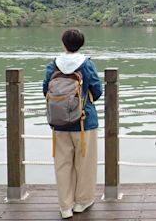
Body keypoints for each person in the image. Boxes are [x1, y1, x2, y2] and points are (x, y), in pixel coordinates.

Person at [43, 28, 103, 219]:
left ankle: (65, 206)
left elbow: (45, 89)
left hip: (59, 124)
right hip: (84, 122)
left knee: (63, 165)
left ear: (63, 44)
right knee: (85, 165)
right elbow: (97, 90)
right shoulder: (86, 64)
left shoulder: (54, 65)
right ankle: (82, 202)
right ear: (81, 44)